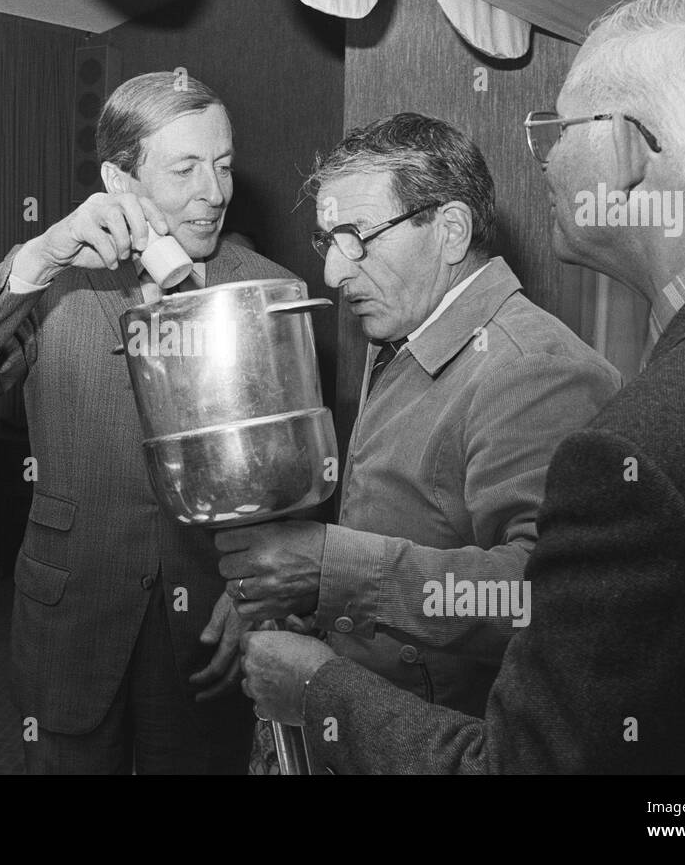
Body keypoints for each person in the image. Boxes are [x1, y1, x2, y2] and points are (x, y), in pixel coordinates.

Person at [241, 0, 685, 773]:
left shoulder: (552, 381)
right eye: (326, 240)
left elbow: (528, 604)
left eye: (557, 126)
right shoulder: (399, 341)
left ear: (623, 153)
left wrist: (331, 616)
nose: (544, 158)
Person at [0, 71, 295, 774]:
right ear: (119, 177)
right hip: (71, 620)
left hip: (208, 626)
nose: (214, 191)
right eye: (186, 167)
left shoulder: (269, 290)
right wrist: (36, 259)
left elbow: (291, 471)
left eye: (224, 165)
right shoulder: (55, 287)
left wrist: (263, 580)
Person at [215, 114, 620, 729]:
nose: (334, 272)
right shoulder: (401, 331)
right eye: (330, 241)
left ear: (450, 230)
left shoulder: (532, 369)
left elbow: (542, 598)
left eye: (357, 237)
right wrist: (312, 596)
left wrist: (331, 570)